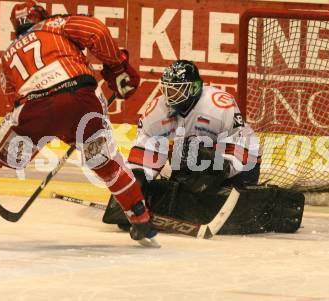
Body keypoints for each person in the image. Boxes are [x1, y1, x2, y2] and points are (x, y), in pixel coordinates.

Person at [0, 0, 156, 242]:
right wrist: (116, 65)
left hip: (35, 106)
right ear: (41, 15)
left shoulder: (7, 56)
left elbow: (13, 99)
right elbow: (97, 31)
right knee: (106, 162)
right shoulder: (55, 24)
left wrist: (53, 126)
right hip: (82, 98)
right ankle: (139, 217)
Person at [102, 60, 305, 234]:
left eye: (176, 90)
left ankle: (218, 192)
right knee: (185, 167)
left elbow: (242, 144)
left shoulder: (219, 104)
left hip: (240, 163)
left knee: (204, 166)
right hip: (193, 158)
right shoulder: (157, 110)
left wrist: (221, 170)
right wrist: (135, 182)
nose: (169, 96)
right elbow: (146, 150)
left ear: (193, 88)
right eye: (167, 89)